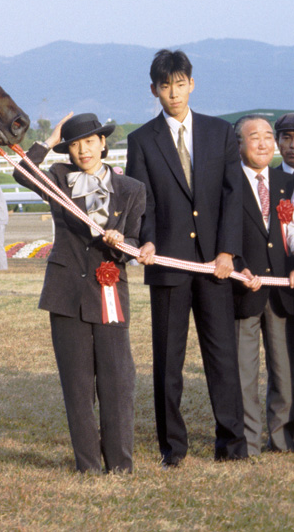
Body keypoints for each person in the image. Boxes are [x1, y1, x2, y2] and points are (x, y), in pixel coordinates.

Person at [125, 49, 248, 466]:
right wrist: (146, 242)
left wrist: (228, 251)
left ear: (192, 84)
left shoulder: (220, 132)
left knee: (223, 358)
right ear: (154, 91)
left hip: (216, 267)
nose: (174, 93)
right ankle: (173, 449)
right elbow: (142, 201)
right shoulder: (142, 140)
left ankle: (232, 445)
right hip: (167, 266)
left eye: (180, 84)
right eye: (165, 87)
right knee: (167, 363)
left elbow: (233, 196)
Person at [14, 112, 145, 473]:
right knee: (77, 384)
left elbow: (135, 239)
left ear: (103, 143)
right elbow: (21, 173)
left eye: (89, 141)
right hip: (65, 291)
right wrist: (49, 140)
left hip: (109, 291)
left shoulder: (131, 188)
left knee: (117, 380)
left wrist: (123, 244)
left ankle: (120, 464)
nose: (83, 150)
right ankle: (88, 465)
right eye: (74, 145)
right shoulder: (58, 178)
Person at [232, 115, 294, 455]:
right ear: (239, 144)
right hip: (243, 289)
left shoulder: (288, 184)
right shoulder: (227, 183)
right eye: (254, 136)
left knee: (285, 371)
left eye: (269, 136)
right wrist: (237, 267)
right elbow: (220, 233)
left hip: (283, 291)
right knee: (244, 372)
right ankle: (248, 442)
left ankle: (283, 439)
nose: (263, 143)